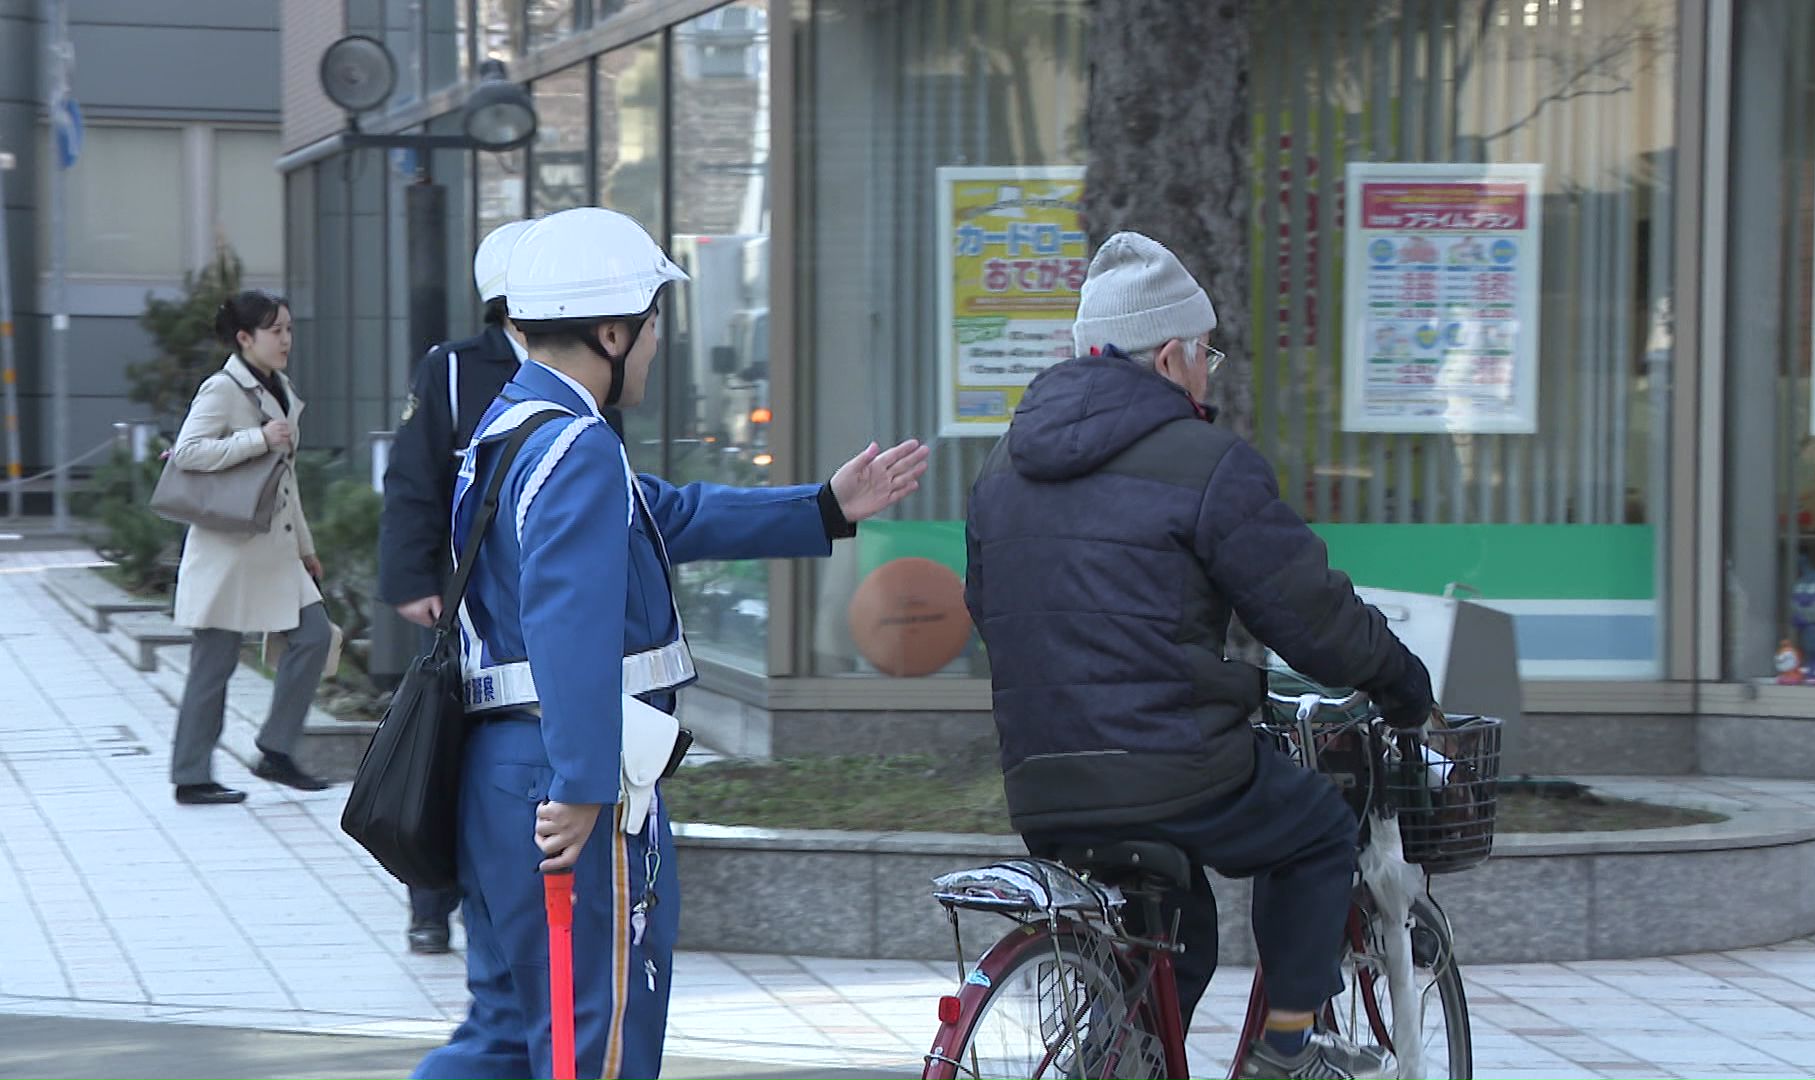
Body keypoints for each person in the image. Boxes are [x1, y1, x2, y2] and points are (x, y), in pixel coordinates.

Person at [411, 206, 928, 1080]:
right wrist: (581, 789)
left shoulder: (510, 427)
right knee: (598, 1044)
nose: (656, 344)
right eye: (652, 326)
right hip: (566, 780)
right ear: (612, 332)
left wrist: (823, 508)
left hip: (500, 778)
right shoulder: (575, 446)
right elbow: (568, 627)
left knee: (502, 1036)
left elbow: (666, 514)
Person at [964, 232, 1435, 1080]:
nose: (1208, 374)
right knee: (1317, 833)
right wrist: (1400, 681)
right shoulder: (1207, 463)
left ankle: (1123, 1055)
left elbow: (989, 611)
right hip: (1174, 769)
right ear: (1172, 354)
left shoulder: (1001, 466)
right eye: (1206, 354)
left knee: (1176, 944)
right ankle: (1286, 1043)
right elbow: (1311, 615)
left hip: (1040, 778)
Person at [379, 218, 533, 955]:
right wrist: (411, 581)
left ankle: (505, 897)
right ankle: (430, 902)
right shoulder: (453, 367)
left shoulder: (585, 369)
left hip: (541, 590)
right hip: (461, 592)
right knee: (447, 743)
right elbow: (413, 478)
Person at [168, 291, 333, 805]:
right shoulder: (222, 388)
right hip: (228, 552)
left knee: (315, 636)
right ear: (245, 339)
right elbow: (188, 452)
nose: (286, 339)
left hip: (276, 550)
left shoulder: (279, 387)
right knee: (213, 664)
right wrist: (257, 440)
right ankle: (191, 775)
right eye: (275, 330)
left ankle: (276, 751)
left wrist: (305, 547)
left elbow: (288, 481)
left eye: (288, 328)